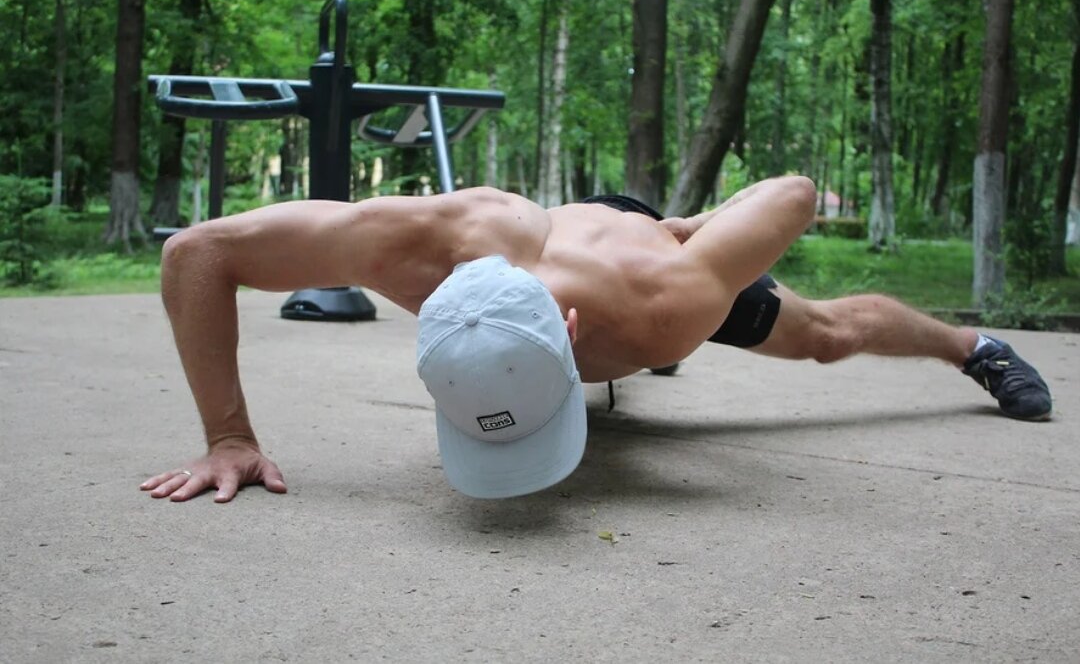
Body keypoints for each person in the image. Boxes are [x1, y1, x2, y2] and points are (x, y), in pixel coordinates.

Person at [140, 177, 1053, 503]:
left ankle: (972, 347)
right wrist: (229, 436)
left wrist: (695, 229)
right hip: (553, 235)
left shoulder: (671, 303)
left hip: (653, 254)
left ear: (572, 340)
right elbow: (197, 253)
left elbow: (796, 192)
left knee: (824, 334)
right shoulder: (416, 241)